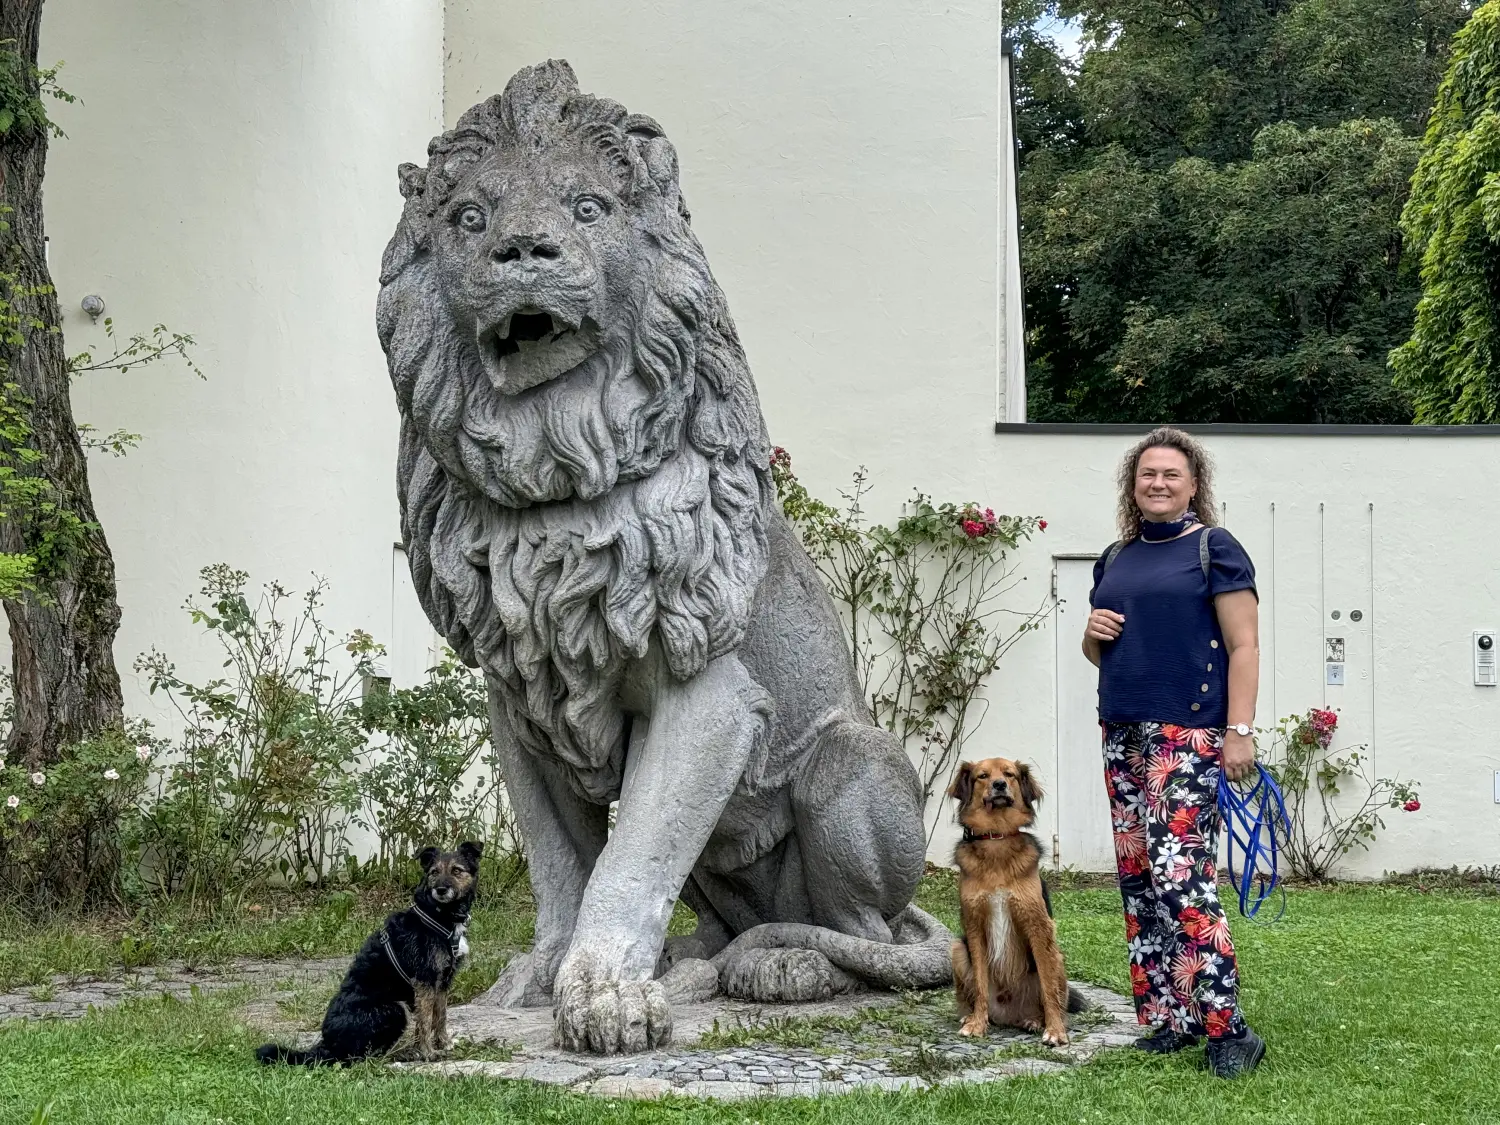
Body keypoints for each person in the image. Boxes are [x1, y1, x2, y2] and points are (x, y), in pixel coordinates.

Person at [1082, 426, 1267, 1079]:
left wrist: (1239, 729)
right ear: (1133, 485)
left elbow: (1244, 645)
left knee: (1180, 873)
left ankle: (1228, 1028)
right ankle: (1172, 1018)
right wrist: (1090, 632)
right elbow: (1104, 652)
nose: (1157, 483)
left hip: (1186, 735)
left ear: (1193, 486)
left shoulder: (1215, 549)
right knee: (1140, 877)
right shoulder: (1116, 557)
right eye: (1147, 474)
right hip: (1122, 730)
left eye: (1171, 474)